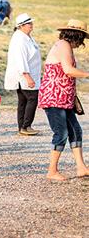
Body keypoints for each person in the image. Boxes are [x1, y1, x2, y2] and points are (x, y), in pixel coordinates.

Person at [38, 19, 89, 181]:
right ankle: (52, 171)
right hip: (54, 96)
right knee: (61, 133)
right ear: (77, 36)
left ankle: (81, 167)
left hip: (63, 97)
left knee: (75, 130)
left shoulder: (65, 46)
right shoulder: (62, 45)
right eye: (82, 40)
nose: (81, 44)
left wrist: (73, 98)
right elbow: (68, 70)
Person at [4, 13, 41, 135]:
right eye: (29, 23)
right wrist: (27, 76)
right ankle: (26, 126)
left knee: (23, 100)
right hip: (23, 75)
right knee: (32, 98)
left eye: (31, 23)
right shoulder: (19, 39)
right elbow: (21, 59)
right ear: (21, 26)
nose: (31, 25)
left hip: (29, 73)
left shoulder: (27, 37)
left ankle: (22, 127)